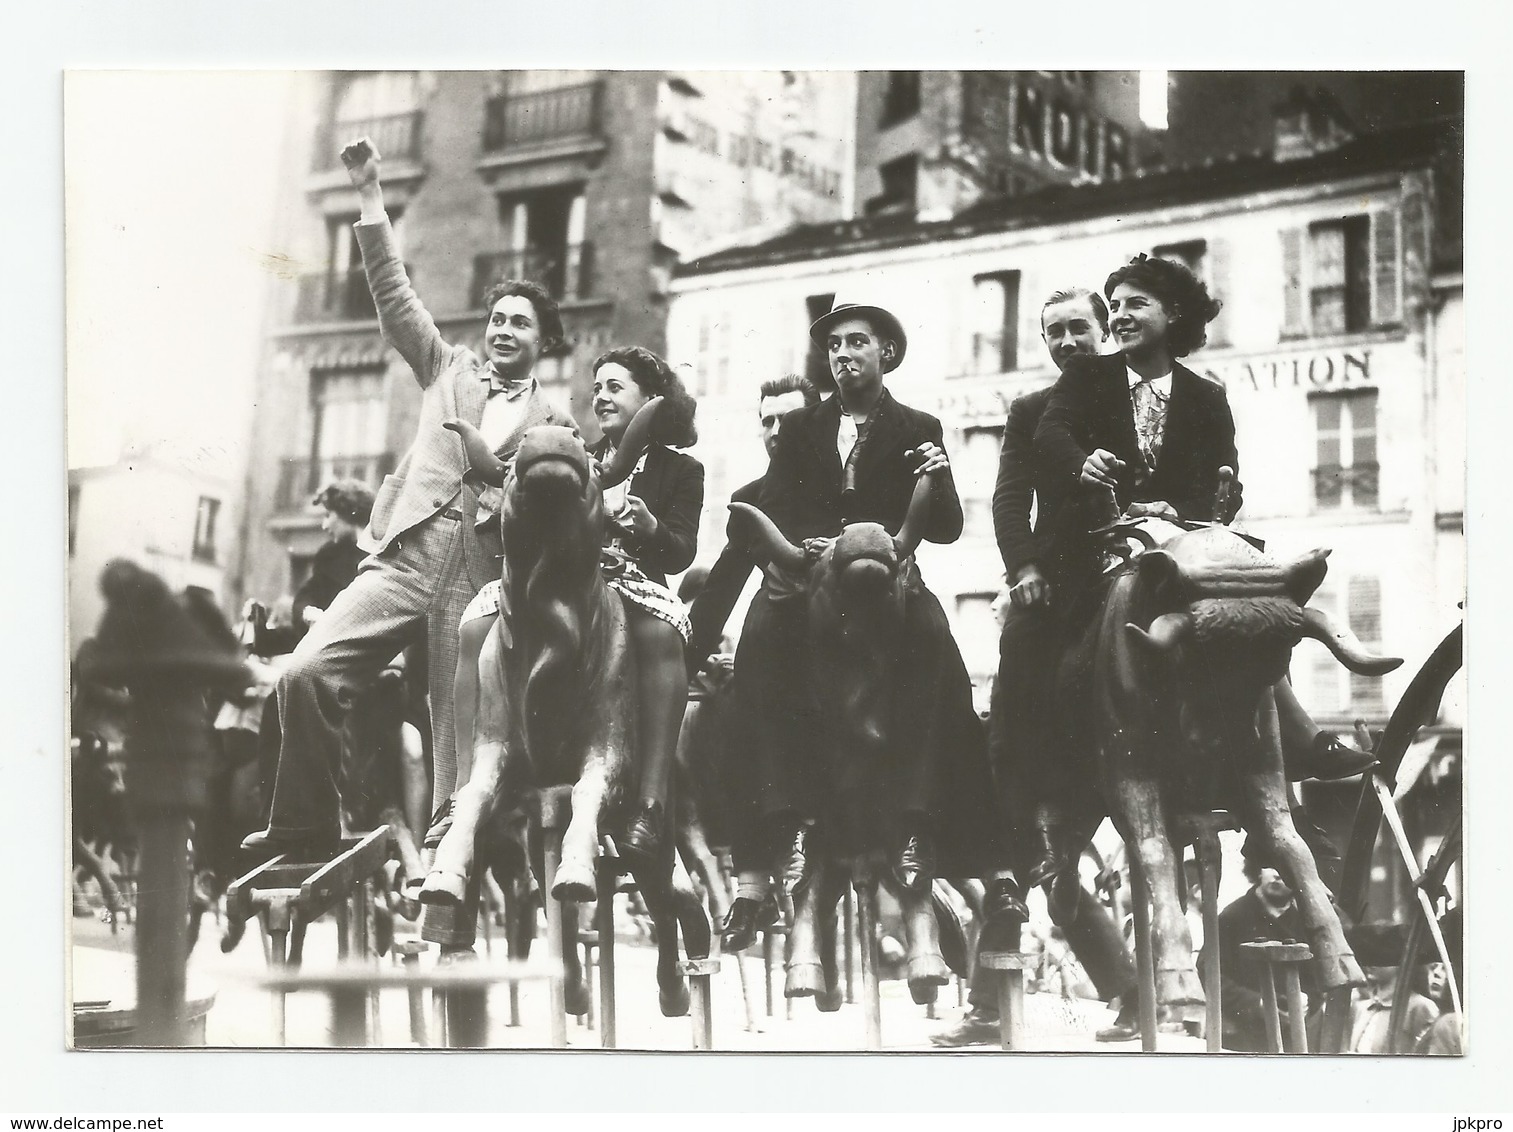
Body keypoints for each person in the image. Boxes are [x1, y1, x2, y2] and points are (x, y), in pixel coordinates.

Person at [242, 137, 576, 863]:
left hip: (478, 586)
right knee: (302, 674)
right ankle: (305, 825)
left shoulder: (558, 430)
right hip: (403, 557)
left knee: (456, 765)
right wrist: (368, 192)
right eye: (497, 319)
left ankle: (447, 905)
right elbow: (393, 294)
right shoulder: (446, 368)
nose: (502, 330)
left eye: (520, 322)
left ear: (546, 339)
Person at [1027, 255, 1372, 879]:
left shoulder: (1207, 396)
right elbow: (1050, 440)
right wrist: (1086, 465)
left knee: (1251, 594)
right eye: (1118, 305)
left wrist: (1219, 496)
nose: (1122, 316)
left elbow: (1224, 480)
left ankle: (1287, 738)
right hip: (1097, 543)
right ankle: (1060, 782)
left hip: (1182, 544)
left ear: (1173, 315)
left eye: (1137, 304)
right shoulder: (1086, 380)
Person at [745, 295, 1021, 937]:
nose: (843, 354)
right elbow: (779, 504)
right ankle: (780, 817)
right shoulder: (802, 429)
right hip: (819, 576)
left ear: (885, 353)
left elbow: (946, 529)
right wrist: (812, 542)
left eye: (857, 342)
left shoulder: (919, 426)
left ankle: (927, 824)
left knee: (937, 648)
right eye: (835, 345)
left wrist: (940, 477)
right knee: (760, 638)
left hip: (891, 575)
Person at [935, 287, 1140, 1047]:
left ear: (1104, 327)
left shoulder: (1137, 397)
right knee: (1011, 795)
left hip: (1131, 564)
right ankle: (994, 999)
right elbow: (1007, 496)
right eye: (1052, 332)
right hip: (1056, 583)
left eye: (1077, 327)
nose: (1066, 342)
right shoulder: (1029, 412)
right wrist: (1021, 565)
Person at [448, 345, 703, 875]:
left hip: (632, 582)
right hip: (565, 585)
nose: (602, 396)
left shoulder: (681, 469)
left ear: (650, 399)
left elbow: (681, 551)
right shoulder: (575, 454)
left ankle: (651, 801)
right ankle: (458, 792)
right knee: (475, 625)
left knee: (658, 635)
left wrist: (649, 527)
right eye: (599, 387)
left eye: (616, 386)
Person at [680, 373, 820, 950]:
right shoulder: (753, 496)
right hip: (779, 642)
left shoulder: (845, 484)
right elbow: (721, 591)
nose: (777, 430)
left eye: (791, 418)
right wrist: (684, 660)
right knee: (737, 712)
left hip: (842, 632)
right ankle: (751, 885)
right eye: (767, 420)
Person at [1202, 856, 1321, 1052]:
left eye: (1286, 869)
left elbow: (1320, 977)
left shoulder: (1307, 921)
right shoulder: (1232, 917)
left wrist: (1308, 1001)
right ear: (1257, 870)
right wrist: (1256, 1002)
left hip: (1294, 1038)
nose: (1276, 875)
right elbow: (1208, 974)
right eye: (1270, 865)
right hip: (1241, 1038)